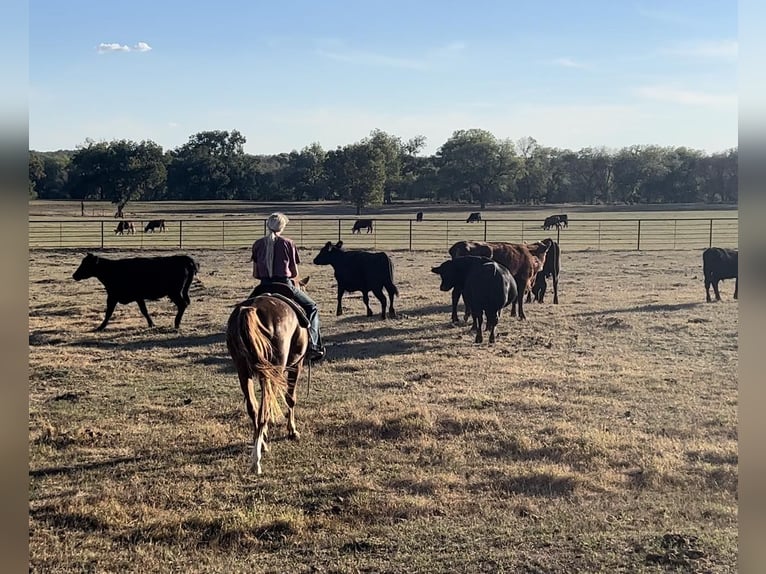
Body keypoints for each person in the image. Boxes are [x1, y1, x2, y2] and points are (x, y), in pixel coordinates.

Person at [251, 212, 326, 362]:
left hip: (263, 286)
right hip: (284, 285)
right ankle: (313, 344)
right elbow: (293, 273)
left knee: (244, 310)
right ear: (282, 227)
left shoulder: (258, 244)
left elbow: (255, 274)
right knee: (312, 307)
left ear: (268, 225)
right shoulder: (288, 243)